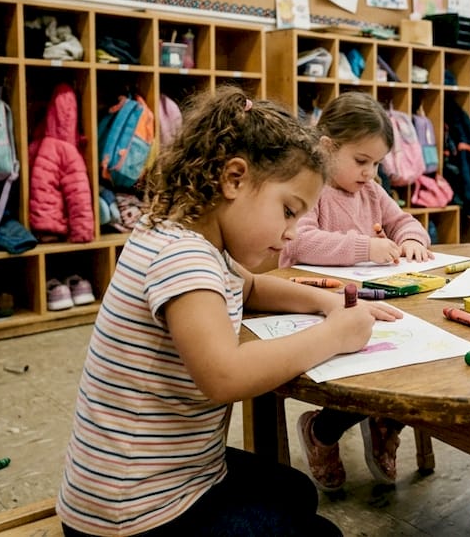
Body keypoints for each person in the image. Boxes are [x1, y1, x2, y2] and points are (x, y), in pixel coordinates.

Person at [56, 87, 400, 536]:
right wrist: (334, 334)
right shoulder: (184, 257)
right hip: (134, 511)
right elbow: (224, 376)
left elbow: (251, 286)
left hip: (167, 471)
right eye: (288, 211)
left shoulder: (182, 231)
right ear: (234, 179)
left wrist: (326, 300)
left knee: (296, 493)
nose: (290, 234)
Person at [278, 92, 432, 491]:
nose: (371, 172)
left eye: (378, 163)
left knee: (414, 355)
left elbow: (403, 221)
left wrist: (412, 238)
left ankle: (386, 420)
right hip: (314, 301)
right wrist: (365, 246)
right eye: (362, 161)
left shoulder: (371, 191)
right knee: (362, 371)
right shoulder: (309, 187)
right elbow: (299, 242)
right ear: (327, 148)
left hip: (372, 297)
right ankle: (323, 430)